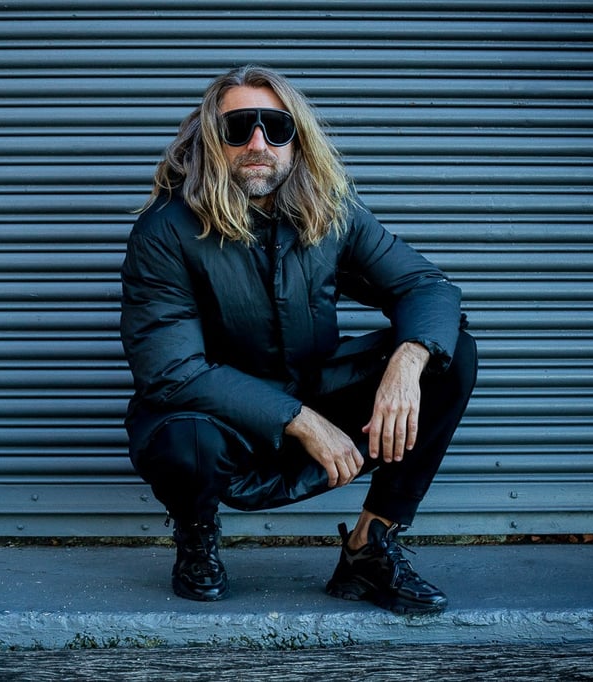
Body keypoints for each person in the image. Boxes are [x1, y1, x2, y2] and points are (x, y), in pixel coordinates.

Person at [119, 65, 477, 615]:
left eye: (275, 127)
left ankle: (369, 548)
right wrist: (302, 421)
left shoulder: (331, 212)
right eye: (238, 127)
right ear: (210, 139)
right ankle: (196, 538)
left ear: (297, 136)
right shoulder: (165, 231)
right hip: (219, 421)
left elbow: (426, 286)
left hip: (312, 387)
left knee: (448, 357)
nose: (257, 143)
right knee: (183, 438)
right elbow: (172, 371)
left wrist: (407, 363)